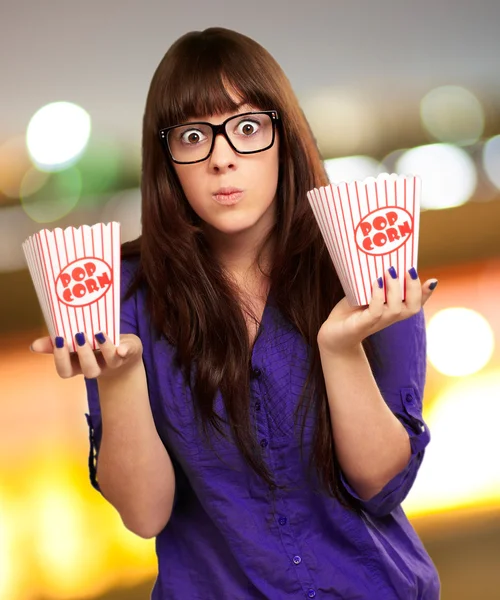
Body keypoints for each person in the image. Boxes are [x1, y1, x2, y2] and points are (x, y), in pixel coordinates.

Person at [31, 27, 441, 600]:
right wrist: (122, 377)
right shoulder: (121, 296)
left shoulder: (366, 263)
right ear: (166, 156)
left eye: (247, 128)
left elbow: (380, 486)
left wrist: (340, 350)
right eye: (194, 136)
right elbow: (146, 516)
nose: (221, 159)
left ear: (284, 136)